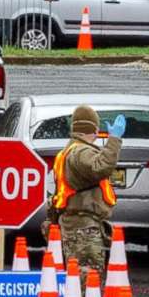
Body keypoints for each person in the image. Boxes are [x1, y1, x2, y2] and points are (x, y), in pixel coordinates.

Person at [52, 105, 121, 270]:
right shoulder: (81, 152)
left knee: (78, 279)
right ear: (93, 129)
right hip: (83, 230)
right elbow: (101, 167)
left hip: (76, 226)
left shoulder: (68, 151)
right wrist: (114, 140)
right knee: (88, 280)